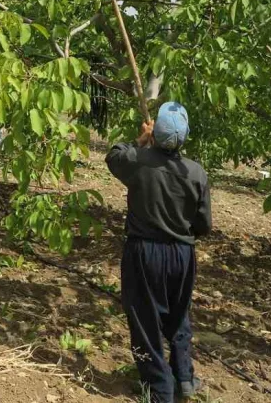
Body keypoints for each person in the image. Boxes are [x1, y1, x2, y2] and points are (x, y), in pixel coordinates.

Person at [105, 102, 211, 402]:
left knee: (145, 320)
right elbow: (203, 225)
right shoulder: (196, 173)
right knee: (178, 317)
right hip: (182, 254)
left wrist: (142, 141)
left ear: (155, 133)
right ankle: (185, 377)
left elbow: (113, 156)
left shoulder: (138, 161)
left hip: (144, 252)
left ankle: (160, 391)